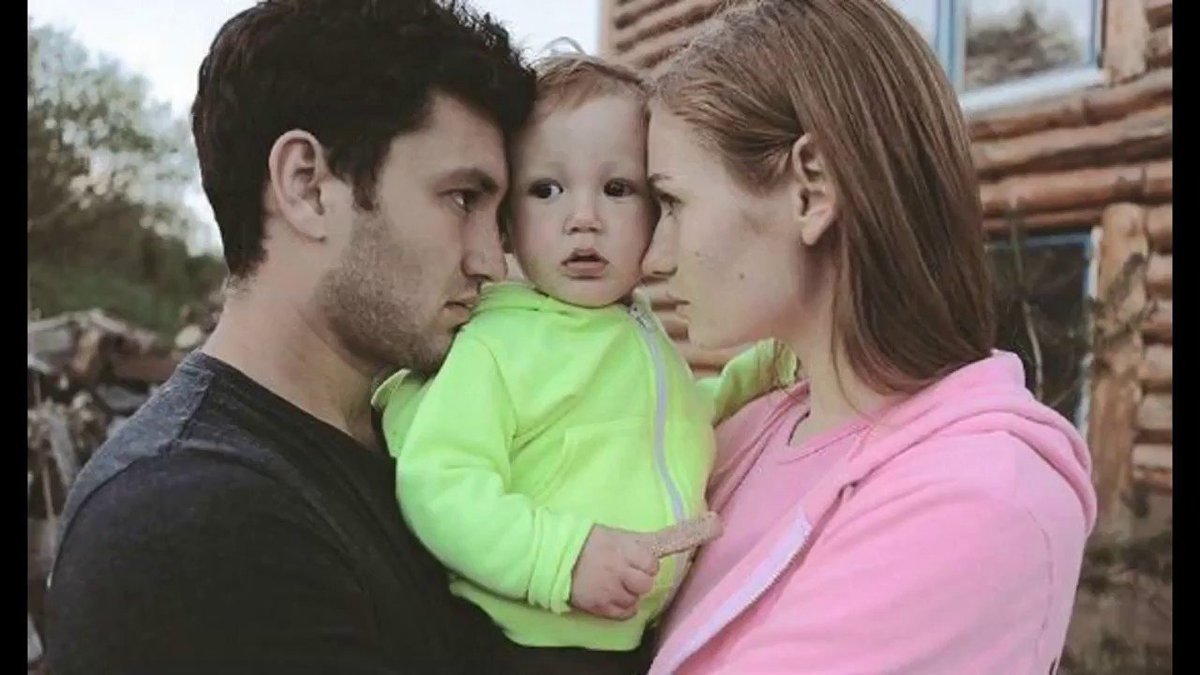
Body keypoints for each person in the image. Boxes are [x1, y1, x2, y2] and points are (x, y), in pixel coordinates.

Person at [43, 1, 536, 672]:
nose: (491, 261)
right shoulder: (190, 519)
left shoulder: (424, 441)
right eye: (462, 198)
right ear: (307, 186)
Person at [639, 1, 1097, 673]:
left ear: (812, 188)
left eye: (673, 203)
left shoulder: (977, 498)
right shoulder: (753, 429)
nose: (653, 256)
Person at [372, 53, 782, 675]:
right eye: (546, 190)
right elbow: (441, 482)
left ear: (658, 210)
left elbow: (666, 424)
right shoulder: (498, 344)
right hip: (526, 642)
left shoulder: (634, 327)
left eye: (617, 190)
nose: (583, 219)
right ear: (507, 223)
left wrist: (754, 376)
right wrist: (561, 558)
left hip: (632, 638)